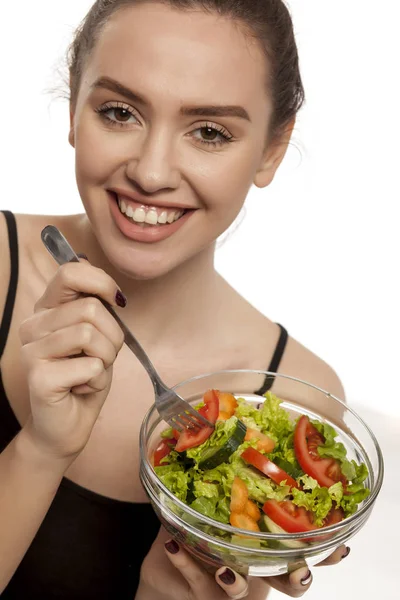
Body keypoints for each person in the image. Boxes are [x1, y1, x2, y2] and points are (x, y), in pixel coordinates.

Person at [0, 1, 351, 598]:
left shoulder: (291, 398)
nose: (153, 172)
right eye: (119, 112)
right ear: (73, 111)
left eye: (209, 132)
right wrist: (40, 449)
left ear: (272, 149)